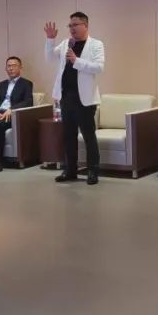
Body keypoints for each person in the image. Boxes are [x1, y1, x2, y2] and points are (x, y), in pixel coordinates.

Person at [44, 12, 105, 185]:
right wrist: (50, 40)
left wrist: (76, 61)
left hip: (84, 99)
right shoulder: (66, 43)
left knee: (88, 136)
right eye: (70, 25)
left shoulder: (96, 44)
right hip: (66, 97)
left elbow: (99, 67)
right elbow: (50, 58)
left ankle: (93, 171)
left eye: (75, 25)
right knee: (68, 136)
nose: (72, 28)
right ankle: (70, 170)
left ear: (85, 25)